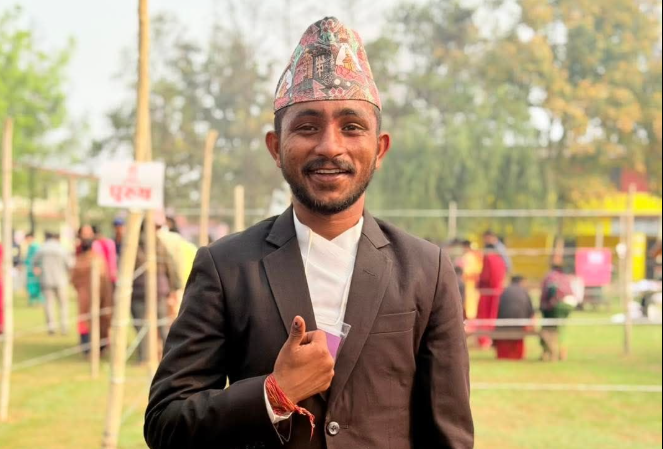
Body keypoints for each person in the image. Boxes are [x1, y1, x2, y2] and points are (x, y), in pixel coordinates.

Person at [144, 17, 472, 449]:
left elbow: (450, 435)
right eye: (307, 127)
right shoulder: (227, 268)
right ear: (276, 148)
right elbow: (166, 423)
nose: (330, 146)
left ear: (380, 149)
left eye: (351, 127)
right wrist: (273, 394)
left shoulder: (425, 270)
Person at [131, 226, 182, 363]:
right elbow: (170, 266)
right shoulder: (159, 243)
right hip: (159, 289)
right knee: (163, 325)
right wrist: (174, 287)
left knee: (141, 326)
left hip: (139, 290)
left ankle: (144, 358)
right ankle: (168, 357)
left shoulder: (132, 244)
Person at [70, 237, 113, 353]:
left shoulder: (80, 261)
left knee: (86, 321)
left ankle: (89, 347)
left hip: (86, 296)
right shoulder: (99, 260)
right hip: (99, 296)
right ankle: (97, 347)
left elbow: (73, 279)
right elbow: (106, 280)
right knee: (97, 320)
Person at [32, 232, 72, 335]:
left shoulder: (42, 248)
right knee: (63, 305)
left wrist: (37, 268)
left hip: (46, 280)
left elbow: (34, 261)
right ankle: (64, 327)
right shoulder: (61, 249)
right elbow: (70, 264)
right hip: (61, 280)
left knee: (49, 305)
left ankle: (51, 327)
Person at [539, 264, 575, 361]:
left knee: (550, 329)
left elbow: (547, 293)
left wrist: (544, 307)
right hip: (570, 303)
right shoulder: (564, 277)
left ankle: (549, 353)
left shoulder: (550, 276)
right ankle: (563, 353)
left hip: (557, 304)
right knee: (562, 328)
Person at [476, 240, 507, 349]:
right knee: (494, 315)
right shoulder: (500, 259)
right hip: (497, 291)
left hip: (487, 292)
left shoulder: (488, 258)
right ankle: (491, 339)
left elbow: (486, 275)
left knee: (484, 315)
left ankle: (484, 340)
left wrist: (479, 284)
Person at [494, 276, 535, 360]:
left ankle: (504, 355)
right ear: (521, 282)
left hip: (503, 324)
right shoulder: (524, 291)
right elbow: (530, 311)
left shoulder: (505, 291)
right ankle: (517, 355)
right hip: (520, 324)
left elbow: (497, 309)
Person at [457, 239, 482, 319]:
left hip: (469, 282)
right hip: (469, 282)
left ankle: (470, 318)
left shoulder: (469, 256)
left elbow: (468, 271)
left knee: (469, 301)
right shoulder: (471, 256)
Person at [24, 232, 44, 306]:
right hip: (30, 270)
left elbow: (37, 259)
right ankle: (33, 301)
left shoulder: (35, 247)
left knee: (36, 285)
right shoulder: (31, 247)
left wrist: (37, 267)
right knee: (31, 286)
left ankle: (39, 301)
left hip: (35, 269)